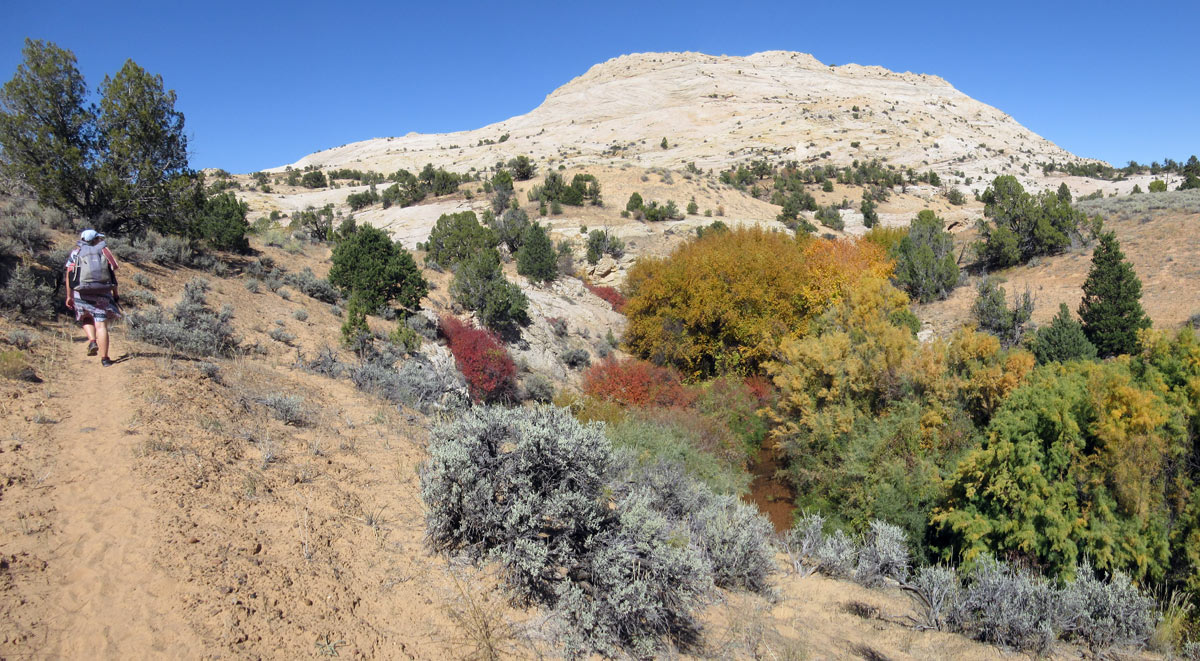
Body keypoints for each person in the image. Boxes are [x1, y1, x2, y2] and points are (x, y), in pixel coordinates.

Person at [65, 229, 121, 366]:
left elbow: (69, 275)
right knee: (101, 325)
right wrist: (115, 294)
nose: (100, 240)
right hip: (102, 293)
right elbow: (113, 271)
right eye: (98, 238)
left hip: (81, 293)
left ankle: (92, 341)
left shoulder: (76, 253)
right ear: (95, 240)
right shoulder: (104, 251)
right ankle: (105, 359)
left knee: (86, 318)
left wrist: (69, 296)